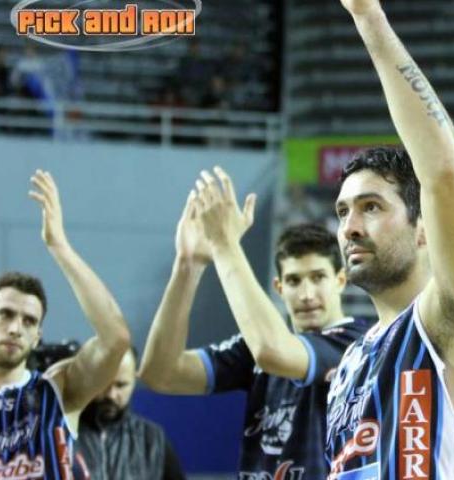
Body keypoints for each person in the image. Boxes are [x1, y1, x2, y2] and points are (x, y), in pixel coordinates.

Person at [326, 1, 454, 478]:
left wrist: (368, 17)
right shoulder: (351, 361)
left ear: (424, 226)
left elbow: (447, 177)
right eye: (343, 211)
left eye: (372, 207)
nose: (350, 227)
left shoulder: (453, 319)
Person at [139, 186, 370, 480]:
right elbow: (160, 373)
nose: (307, 294)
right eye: (294, 281)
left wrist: (224, 244)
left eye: (318, 277)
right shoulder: (256, 350)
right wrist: (188, 264)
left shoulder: (357, 342)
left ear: (340, 281)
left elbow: (273, 352)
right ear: (279, 288)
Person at [0, 170, 130, 477]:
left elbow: (115, 338)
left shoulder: (57, 390)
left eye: (29, 321)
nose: (15, 328)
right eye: (5, 314)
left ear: (37, 337)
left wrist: (60, 246)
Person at [74, 348, 185, 480]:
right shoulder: (63, 435)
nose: (111, 394)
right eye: (103, 384)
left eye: (121, 385)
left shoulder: (152, 440)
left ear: (134, 380)